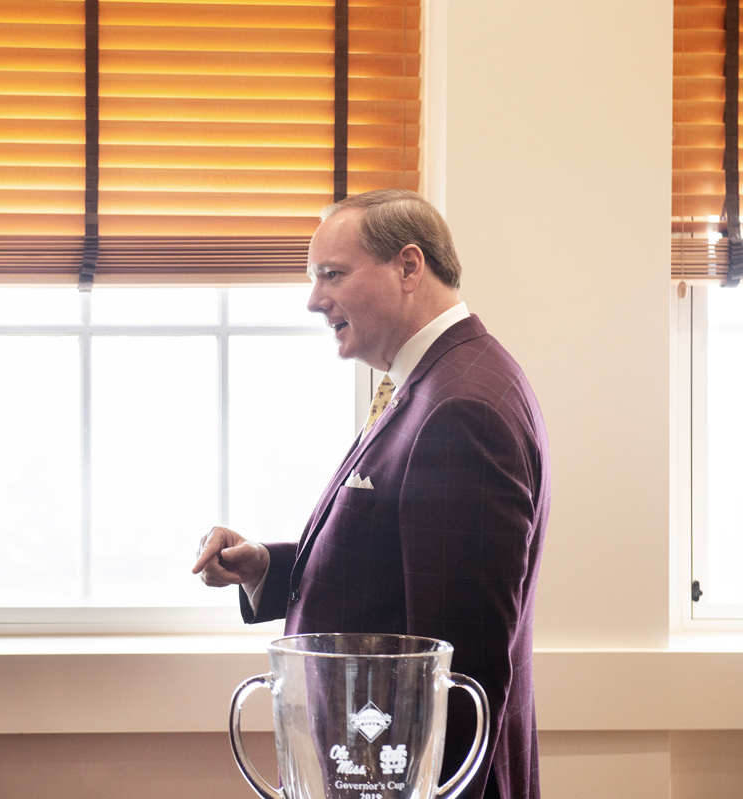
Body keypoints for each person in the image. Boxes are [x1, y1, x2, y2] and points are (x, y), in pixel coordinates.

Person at [193, 189, 549, 799]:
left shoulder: (460, 409)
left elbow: (459, 669)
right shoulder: (435, 382)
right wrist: (268, 567)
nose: (313, 299)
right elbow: (391, 566)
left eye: (332, 274)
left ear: (408, 267)